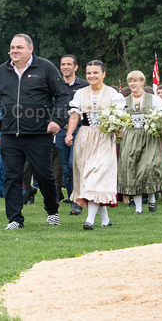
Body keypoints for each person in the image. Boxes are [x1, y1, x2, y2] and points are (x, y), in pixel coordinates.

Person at [0, 34, 63, 230]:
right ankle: (15, 219)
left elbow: (62, 95)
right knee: (11, 176)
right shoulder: (2, 71)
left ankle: (52, 210)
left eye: (19, 47)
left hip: (38, 134)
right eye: (12, 47)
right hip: (9, 134)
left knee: (44, 175)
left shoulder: (45, 68)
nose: (14, 51)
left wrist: (56, 120)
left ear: (30, 49)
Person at [65, 61, 124, 229]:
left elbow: (120, 117)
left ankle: (89, 220)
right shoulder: (80, 94)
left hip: (105, 138)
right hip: (85, 137)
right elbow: (75, 116)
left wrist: (119, 130)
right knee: (90, 179)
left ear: (103, 74)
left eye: (95, 73)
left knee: (95, 177)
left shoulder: (113, 94)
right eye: (89, 73)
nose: (91, 76)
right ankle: (105, 220)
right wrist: (69, 133)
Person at [117, 71, 162, 214]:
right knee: (132, 168)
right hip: (130, 137)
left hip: (149, 136)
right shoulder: (124, 101)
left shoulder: (154, 99)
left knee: (148, 167)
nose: (132, 84)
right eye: (130, 81)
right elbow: (119, 120)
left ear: (142, 82)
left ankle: (152, 198)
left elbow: (161, 118)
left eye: (135, 81)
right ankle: (138, 207)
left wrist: (161, 128)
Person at [56, 55, 87, 214]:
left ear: (75, 67)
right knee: (66, 169)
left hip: (80, 130)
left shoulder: (84, 86)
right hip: (61, 130)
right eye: (63, 64)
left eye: (69, 64)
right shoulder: (55, 85)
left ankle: (81, 199)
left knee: (73, 164)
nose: (65, 67)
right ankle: (74, 201)